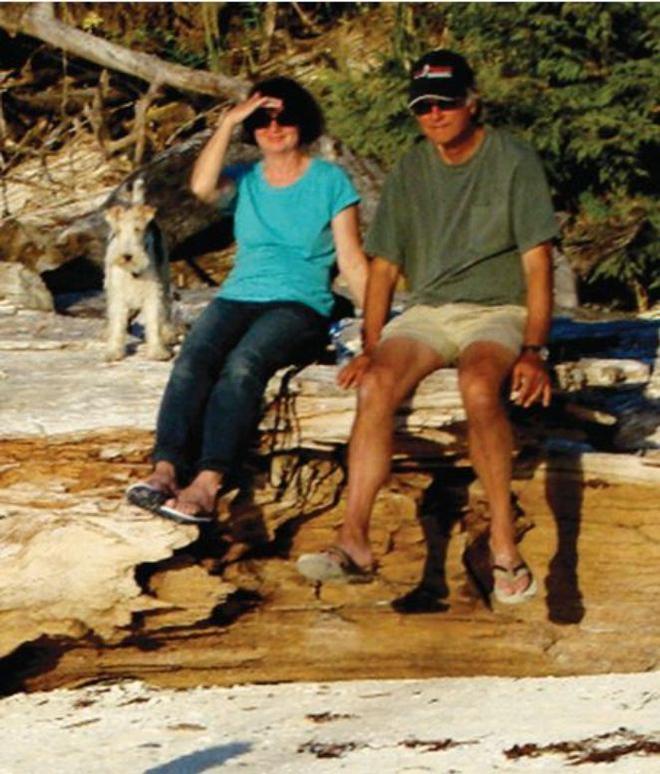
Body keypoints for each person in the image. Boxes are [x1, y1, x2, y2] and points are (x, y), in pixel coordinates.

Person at [297, 50, 558, 604]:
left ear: (471, 101)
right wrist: (371, 346)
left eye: (444, 102)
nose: (434, 114)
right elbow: (385, 267)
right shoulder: (413, 169)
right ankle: (355, 539)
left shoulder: (513, 159)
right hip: (429, 312)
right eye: (423, 106)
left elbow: (538, 261)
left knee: (480, 384)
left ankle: (505, 545)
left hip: (498, 309)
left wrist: (535, 348)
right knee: (375, 384)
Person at [127, 77, 367, 524]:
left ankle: (208, 482)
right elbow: (200, 186)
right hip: (239, 293)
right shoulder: (246, 179)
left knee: (243, 364)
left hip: (300, 302)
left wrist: (375, 326)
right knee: (193, 359)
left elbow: (352, 260)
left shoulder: (330, 180)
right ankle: (165, 470)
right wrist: (228, 123)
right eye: (262, 121)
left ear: (304, 122)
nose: (273, 129)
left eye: (284, 118)